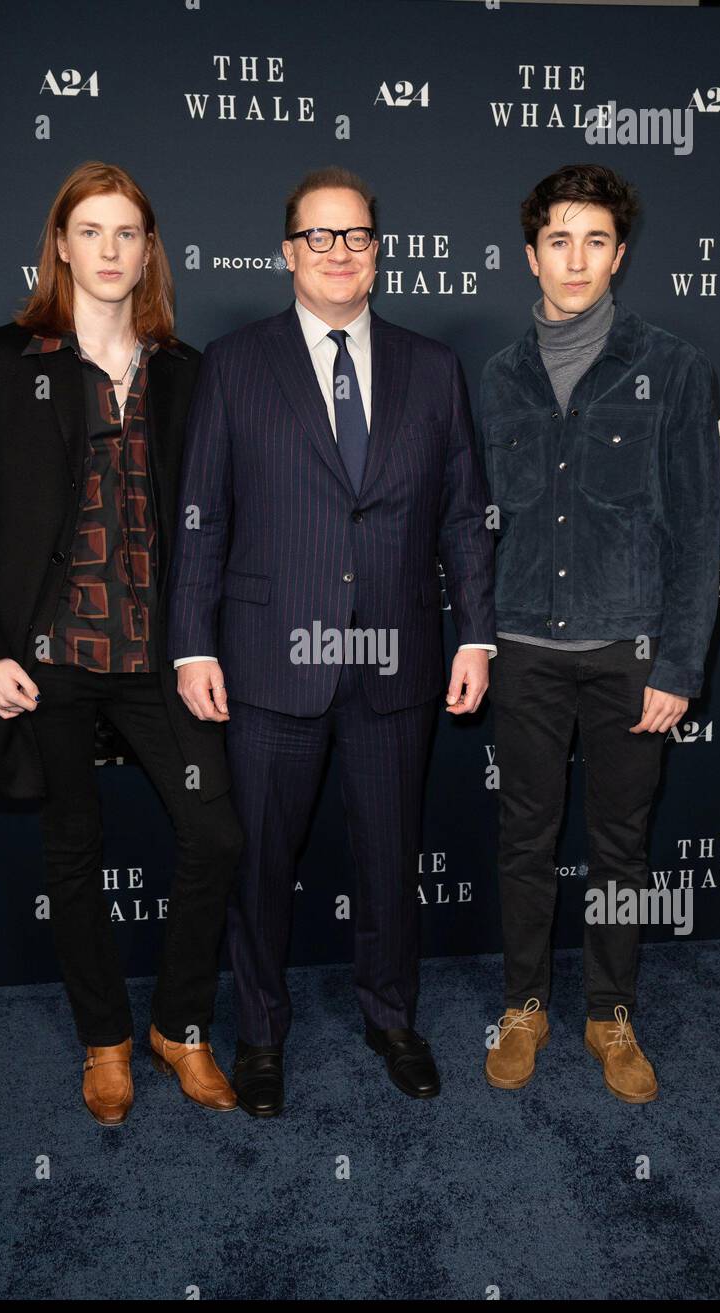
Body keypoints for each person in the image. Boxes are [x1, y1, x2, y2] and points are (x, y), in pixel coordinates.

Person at [169, 166, 496, 1116]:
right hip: (272, 658)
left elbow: (465, 519)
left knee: (392, 856)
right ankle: (261, 1035)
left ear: (378, 252)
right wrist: (193, 644)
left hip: (397, 658)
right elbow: (202, 515)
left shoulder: (433, 368)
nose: (340, 252)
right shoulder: (233, 363)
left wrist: (475, 637)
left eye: (356, 236)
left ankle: (393, 1017)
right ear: (287, 253)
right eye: (320, 237)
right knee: (261, 860)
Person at [0, 161, 243, 1126]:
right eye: (91, 232)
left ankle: (179, 1026)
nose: (109, 251)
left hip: (160, 656)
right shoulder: (1, 359)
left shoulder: (187, 372)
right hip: (50, 660)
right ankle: (106, 1040)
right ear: (60, 245)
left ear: (149, 251)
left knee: (216, 835)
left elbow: (210, 524)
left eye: (128, 234)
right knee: (72, 850)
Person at [479, 164, 720, 1103]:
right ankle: (524, 1004)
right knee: (524, 842)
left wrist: (679, 661)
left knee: (623, 847)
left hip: (630, 656)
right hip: (526, 652)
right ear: (529, 253)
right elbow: (478, 522)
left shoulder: (675, 366)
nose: (574, 259)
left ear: (619, 254)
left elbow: (702, 531)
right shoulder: (500, 378)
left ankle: (609, 1012)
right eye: (558, 239)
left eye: (594, 240)